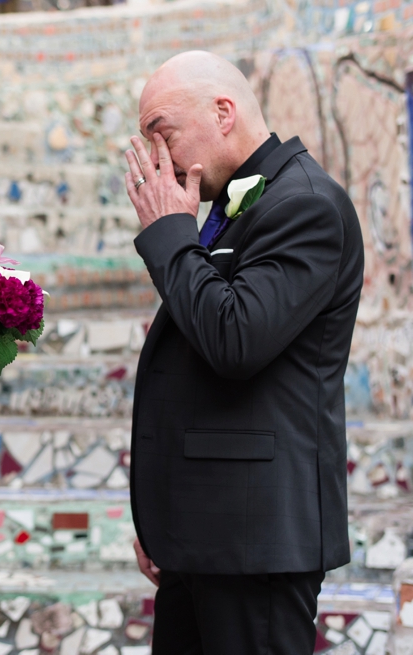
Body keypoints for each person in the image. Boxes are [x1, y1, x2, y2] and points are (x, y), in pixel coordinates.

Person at [123, 51, 364, 654]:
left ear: (223, 113)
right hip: (200, 534)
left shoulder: (304, 204)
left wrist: (170, 237)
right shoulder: (238, 206)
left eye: (162, 132)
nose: (157, 157)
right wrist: (163, 520)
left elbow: (235, 341)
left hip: (254, 541)